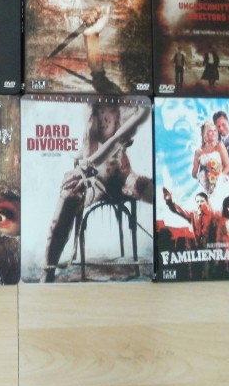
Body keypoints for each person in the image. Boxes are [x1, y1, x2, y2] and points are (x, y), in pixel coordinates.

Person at [42, 101, 152, 282]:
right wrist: (82, 168)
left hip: (123, 177)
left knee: (159, 194)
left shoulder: (141, 105)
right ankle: (48, 271)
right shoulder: (93, 103)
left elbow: (118, 139)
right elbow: (89, 146)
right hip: (94, 181)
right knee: (69, 195)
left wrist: (85, 165)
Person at [191, 121, 229, 207]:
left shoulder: (219, 146)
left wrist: (218, 176)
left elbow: (227, 166)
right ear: (204, 134)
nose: (214, 133)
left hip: (219, 183)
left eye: (215, 130)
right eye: (210, 131)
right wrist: (202, 175)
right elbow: (194, 173)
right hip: (204, 184)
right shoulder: (198, 151)